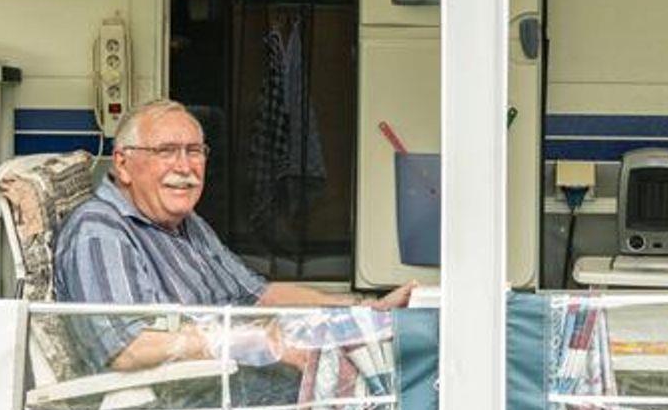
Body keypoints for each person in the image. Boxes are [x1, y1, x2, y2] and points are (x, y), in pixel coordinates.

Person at [57, 98, 411, 374]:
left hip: (225, 380)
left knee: (375, 357)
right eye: (166, 151)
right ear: (122, 164)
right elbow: (126, 348)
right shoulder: (100, 231)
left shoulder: (186, 223)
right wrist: (252, 342)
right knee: (353, 381)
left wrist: (364, 311)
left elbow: (259, 296)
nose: (185, 167)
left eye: (194, 151)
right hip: (168, 409)